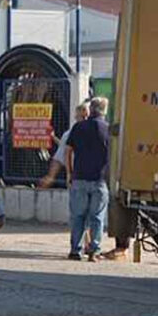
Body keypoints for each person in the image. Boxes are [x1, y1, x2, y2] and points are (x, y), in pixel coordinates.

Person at [62, 96, 111, 261]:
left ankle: (75, 250)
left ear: (91, 110)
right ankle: (94, 251)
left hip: (79, 178)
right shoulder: (108, 130)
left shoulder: (78, 127)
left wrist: (69, 172)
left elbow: (68, 150)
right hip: (100, 179)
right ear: (104, 111)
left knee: (78, 216)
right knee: (97, 217)